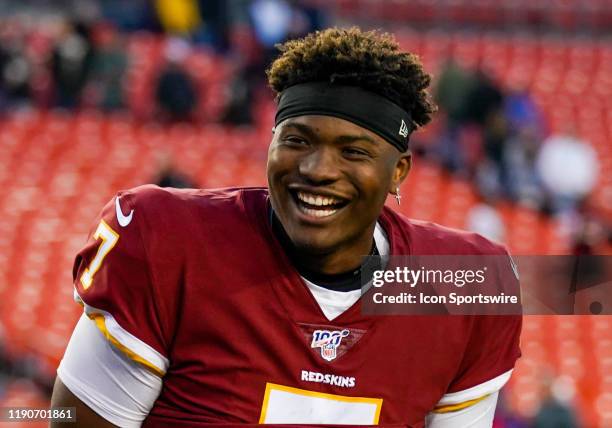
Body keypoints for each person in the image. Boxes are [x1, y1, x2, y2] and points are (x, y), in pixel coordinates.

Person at [51, 27, 521, 427]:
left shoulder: (468, 285)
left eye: (353, 152)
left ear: (398, 171)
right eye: (297, 140)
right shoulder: (170, 241)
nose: (317, 169)